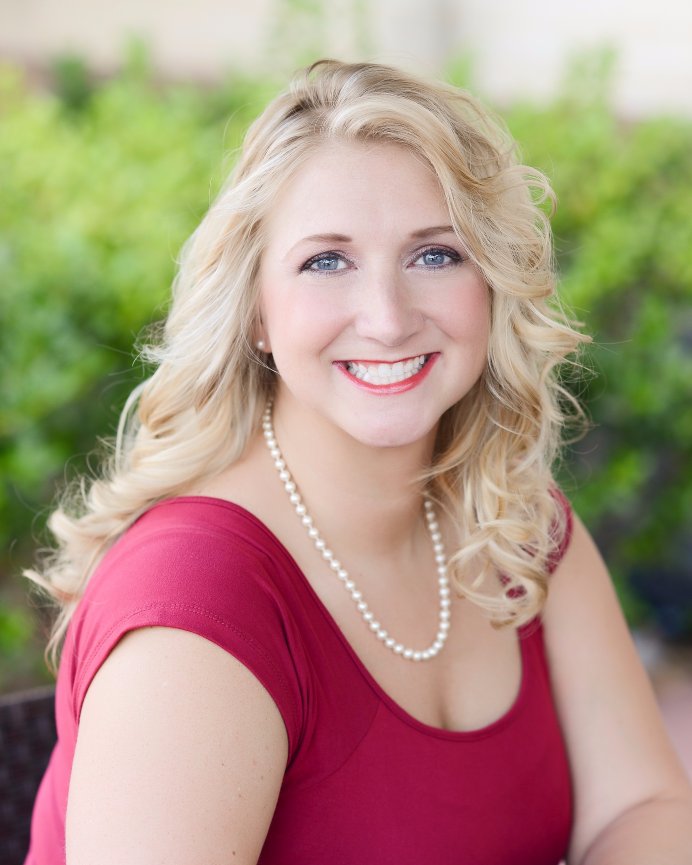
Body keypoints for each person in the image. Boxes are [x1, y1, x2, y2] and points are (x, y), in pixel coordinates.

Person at [25, 59, 692, 865]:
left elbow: (642, 805)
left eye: (436, 254)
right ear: (258, 314)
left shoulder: (514, 519)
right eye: (326, 261)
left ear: (492, 285)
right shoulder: (197, 603)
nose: (386, 318)